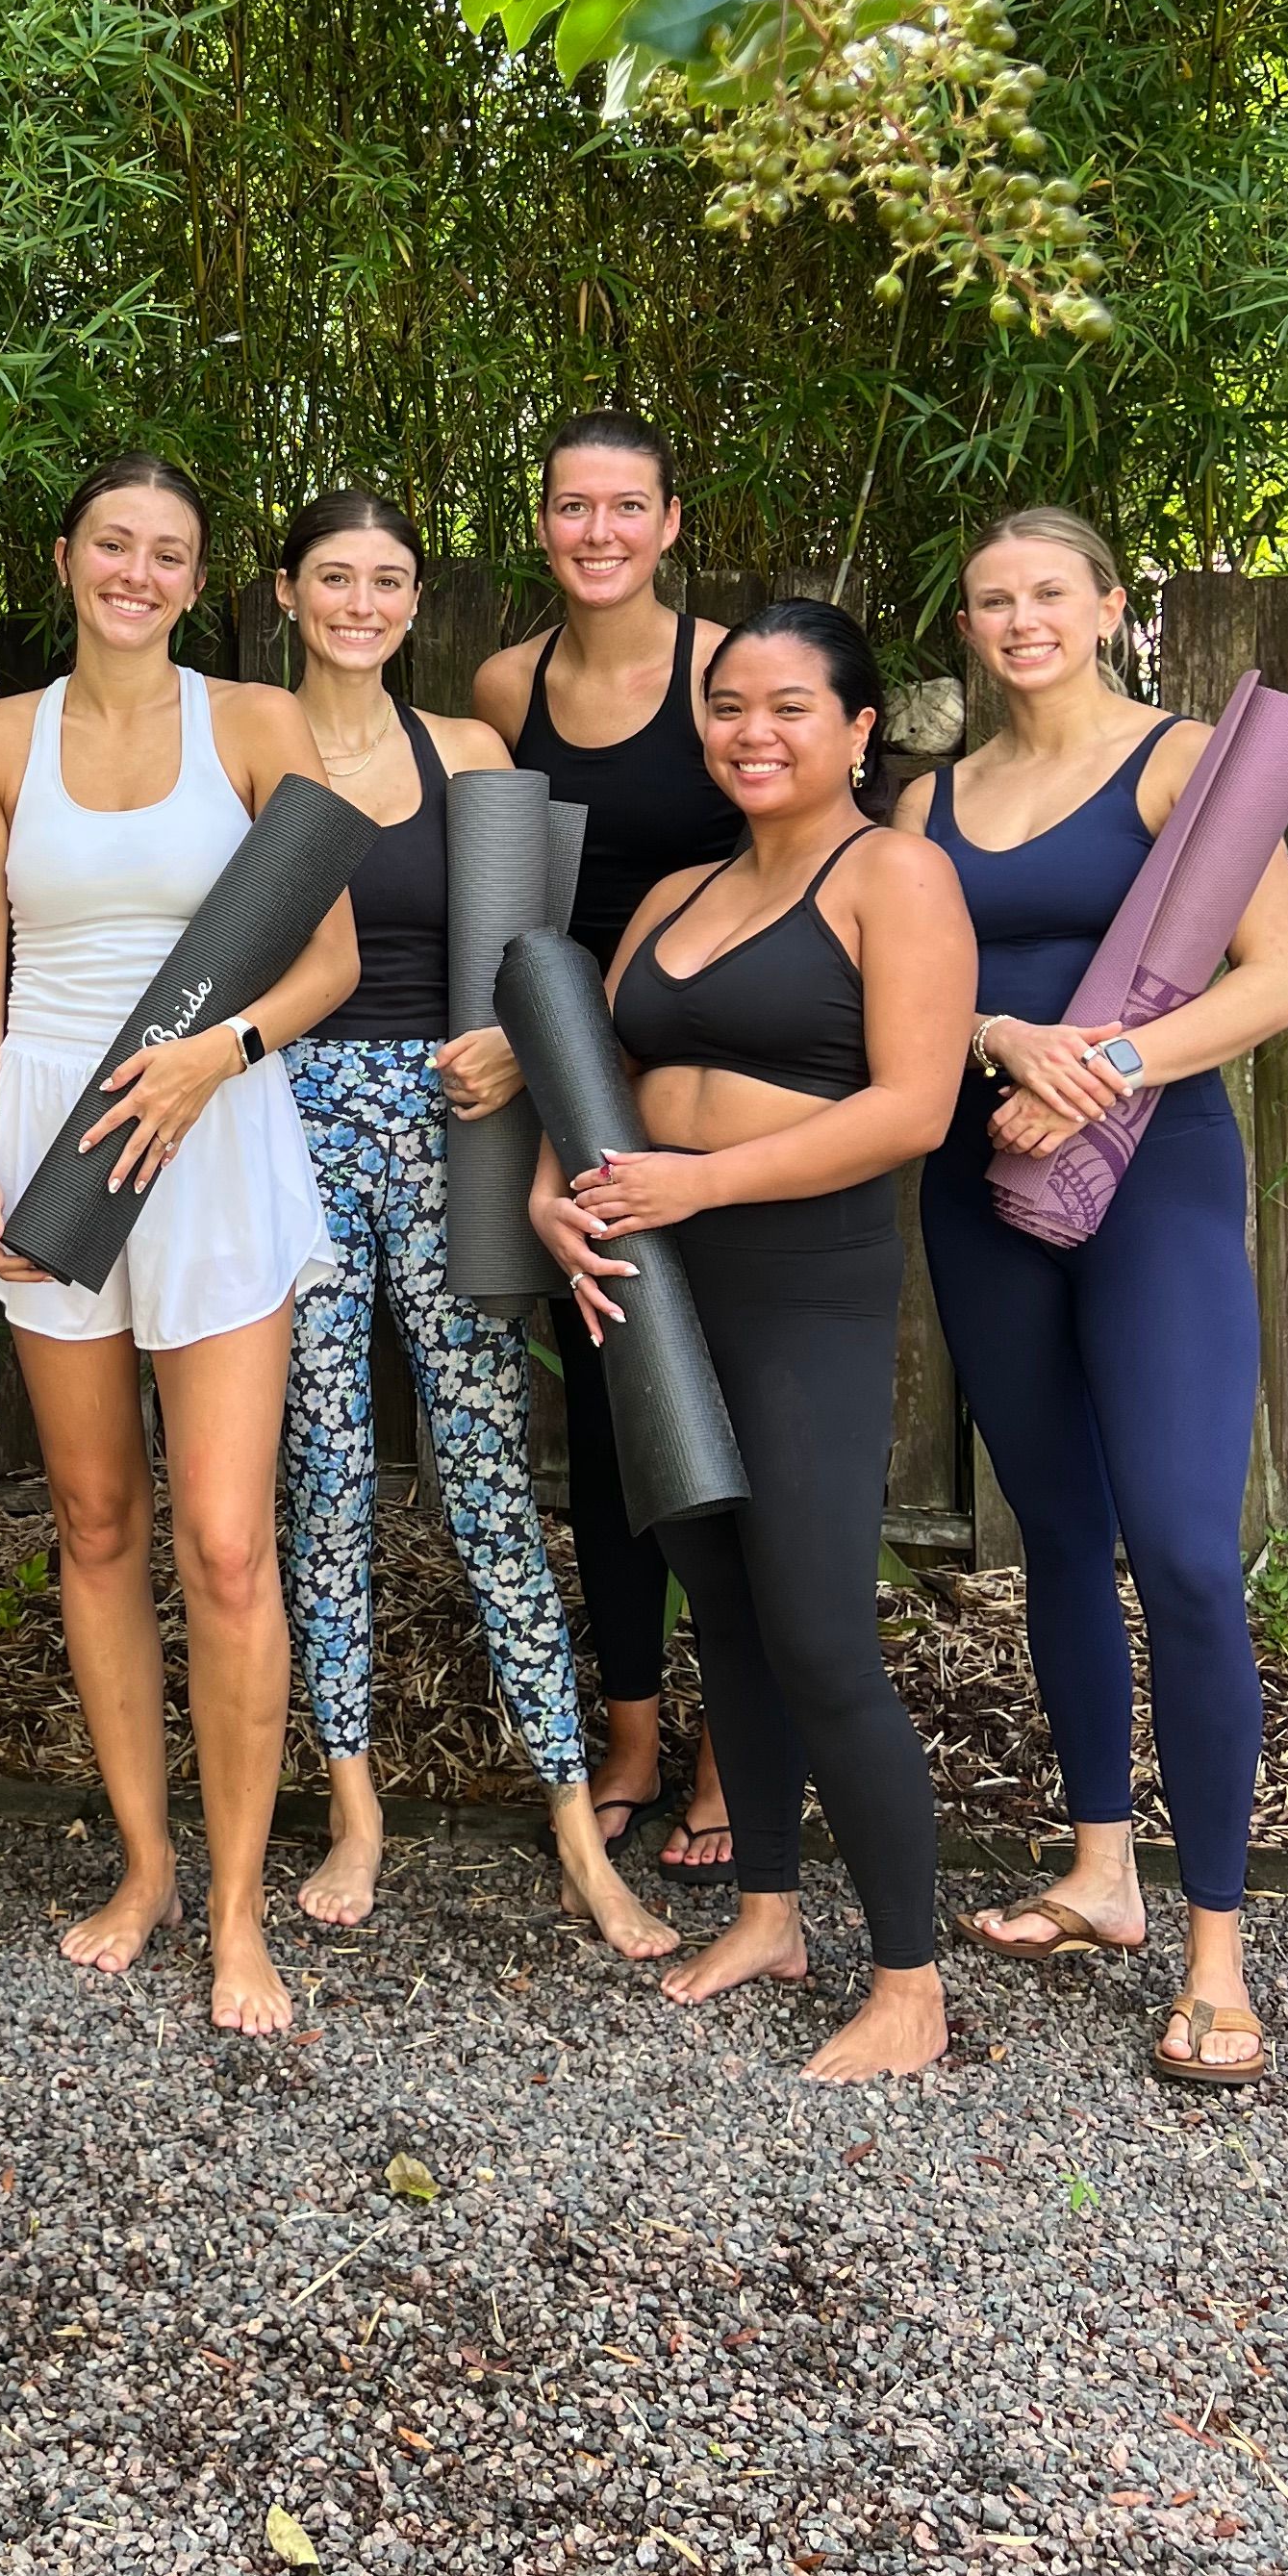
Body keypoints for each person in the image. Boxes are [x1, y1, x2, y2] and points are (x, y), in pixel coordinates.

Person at [900, 509, 1288, 2089]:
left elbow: (1282, 981)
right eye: (993, 599)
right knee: (1056, 1534)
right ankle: (1100, 1870)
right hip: (979, 1175)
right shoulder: (930, 798)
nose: (1022, 622)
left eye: (1050, 595)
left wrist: (1107, 1068)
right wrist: (1008, 1039)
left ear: (1110, 606)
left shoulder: (1182, 763)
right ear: (968, 621)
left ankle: (1218, 1946)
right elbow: (902, 990)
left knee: (1189, 1555)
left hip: (1157, 1180)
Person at [0, 452, 359, 2037]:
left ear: (200, 580)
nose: (135, 571)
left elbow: (325, 958)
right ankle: (143, 1866)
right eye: (110, 543)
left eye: (167, 552)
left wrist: (219, 1053)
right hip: (53, 1149)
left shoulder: (254, 724)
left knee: (227, 1543)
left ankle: (243, 1909)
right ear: (66, 558)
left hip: (211, 1135)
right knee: (98, 1521)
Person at [536, 600, 974, 2084]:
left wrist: (701, 1179)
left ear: (858, 731)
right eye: (728, 706)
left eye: (792, 706)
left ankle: (908, 1979)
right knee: (716, 1601)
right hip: (657, 1275)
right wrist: (554, 1197)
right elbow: (591, 1069)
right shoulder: (668, 896)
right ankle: (772, 1913)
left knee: (816, 1626)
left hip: (803, 1280)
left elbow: (911, 1109)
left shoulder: (895, 876)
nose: (753, 731)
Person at [271, 491, 676, 1959]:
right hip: (284, 1130)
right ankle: (354, 1805)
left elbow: (531, 944)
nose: (361, 604)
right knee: (319, 1479)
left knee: (492, 1478)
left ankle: (577, 1828)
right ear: (286, 592)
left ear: (413, 600)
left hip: (452, 1130)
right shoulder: (245, 740)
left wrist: (518, 1036)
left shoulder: (473, 752)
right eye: (335, 578)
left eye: (387, 580)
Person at [463, 409, 736, 1874]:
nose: (599, 534)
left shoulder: (726, 674)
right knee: (614, 1430)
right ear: (546, 521)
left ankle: (733, 1736)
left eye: (627, 508)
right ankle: (630, 1719)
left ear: (670, 522)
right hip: (572, 1073)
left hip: (722, 1063)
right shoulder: (510, 683)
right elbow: (503, 893)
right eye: (574, 508)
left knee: (738, 1402)